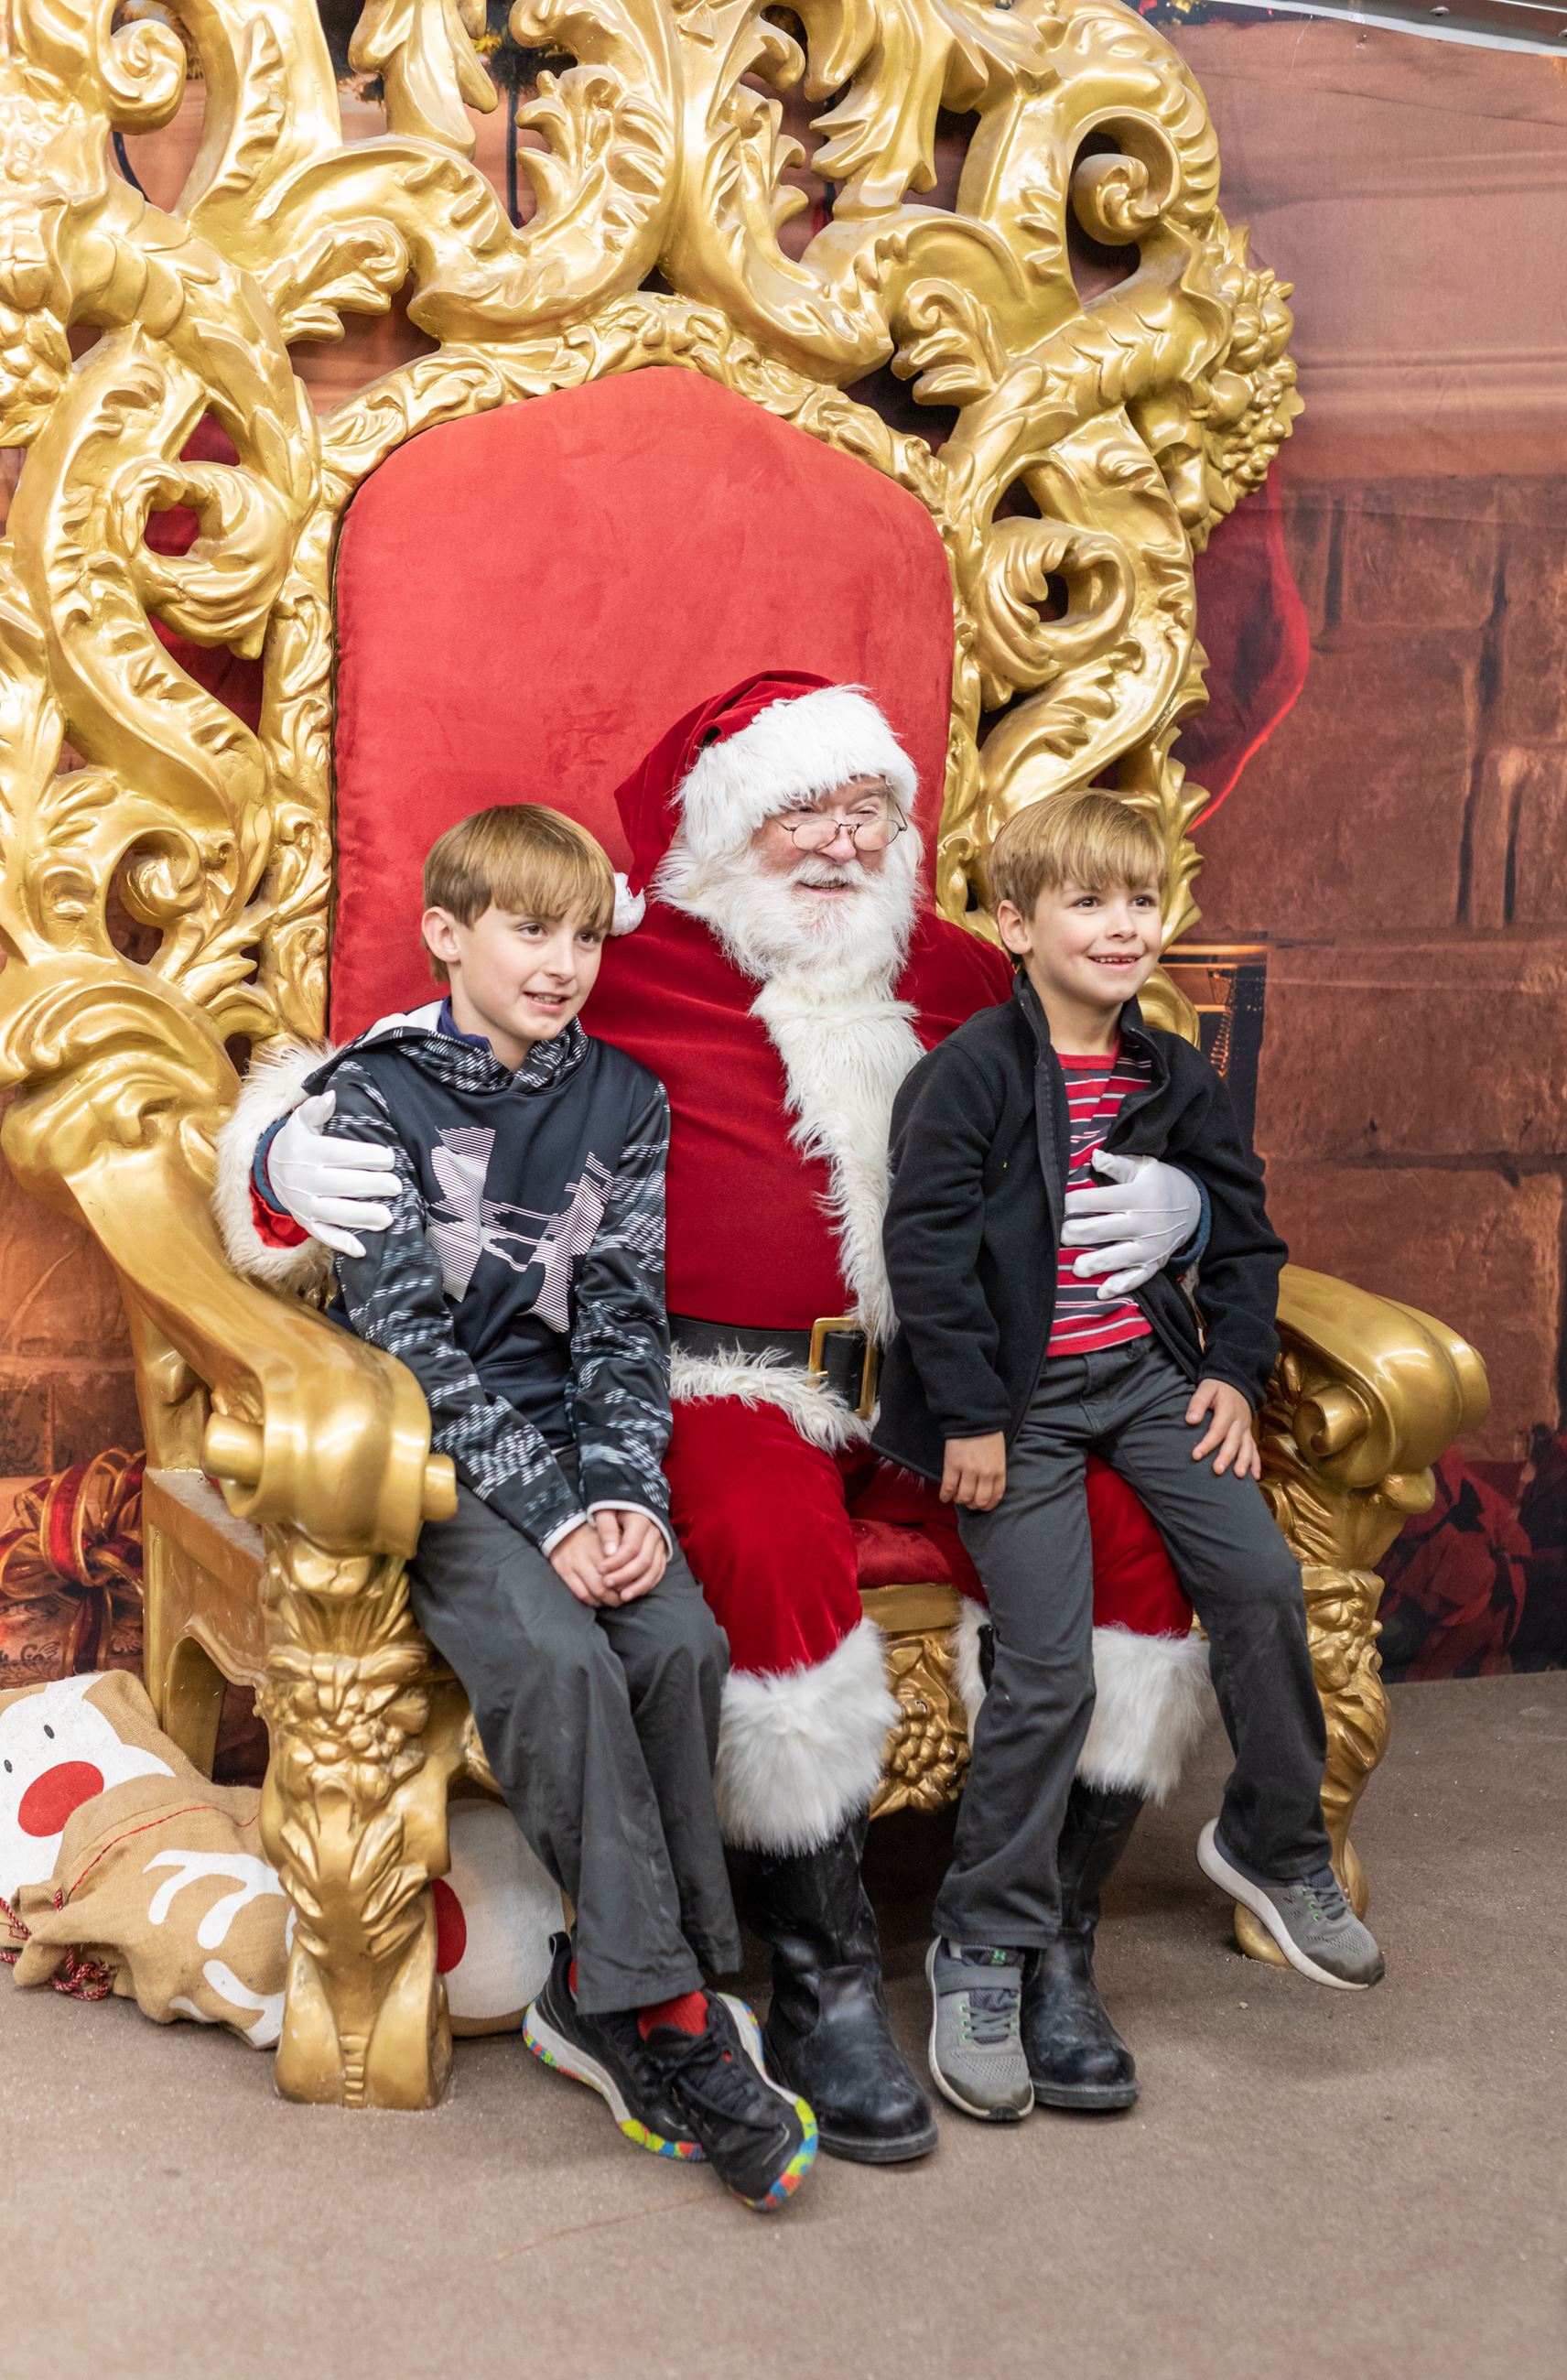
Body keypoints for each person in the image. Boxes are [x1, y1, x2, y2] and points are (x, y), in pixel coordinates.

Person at [215, 674, 1215, 2157]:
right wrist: (282, 1160)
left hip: (953, 1383)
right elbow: (419, 1054)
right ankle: (815, 1977)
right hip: (718, 1380)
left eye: (865, 810)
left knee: (1137, 1544)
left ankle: (1031, 1945)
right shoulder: (617, 961)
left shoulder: (961, 972)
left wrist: (1179, 1198)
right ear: (717, 829)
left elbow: (1126, 1093)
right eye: (795, 809)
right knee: (752, 1541)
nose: (836, 842)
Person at [252, 801, 817, 2212]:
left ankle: (606, 1992)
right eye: (525, 929)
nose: (560, 961)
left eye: (580, 933)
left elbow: (623, 1324)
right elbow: (409, 1349)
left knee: (677, 1643)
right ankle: (675, 2019)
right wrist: (551, 1520)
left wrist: (621, 1492)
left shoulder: (624, 1099)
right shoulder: (369, 1096)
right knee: (563, 1660)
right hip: (436, 1458)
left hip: (586, 1444)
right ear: (447, 934)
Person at [875, 787, 1385, 2126]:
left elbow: (1248, 1238)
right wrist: (972, 1416)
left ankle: (1269, 1842)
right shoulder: (972, 1073)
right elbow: (922, 1257)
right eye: (1086, 900)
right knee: (1046, 1669)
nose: (1120, 926)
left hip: (1147, 1381)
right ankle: (983, 1942)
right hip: (1021, 1407)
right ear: (1014, 922)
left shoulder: (1173, 1073)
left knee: (1263, 1583)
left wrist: (1224, 1369)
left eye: (1140, 901)